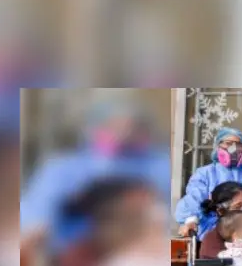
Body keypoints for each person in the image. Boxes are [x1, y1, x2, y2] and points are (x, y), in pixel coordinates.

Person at [20, 95, 170, 257]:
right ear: (95, 129)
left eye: (133, 126)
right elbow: (37, 213)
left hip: (146, 254)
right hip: (76, 254)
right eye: (114, 125)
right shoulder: (63, 168)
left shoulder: (160, 165)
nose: (125, 132)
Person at [175, 127, 242, 238]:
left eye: (239, 144)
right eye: (228, 143)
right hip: (212, 234)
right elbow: (193, 199)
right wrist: (191, 221)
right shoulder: (205, 174)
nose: (233, 148)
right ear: (218, 146)